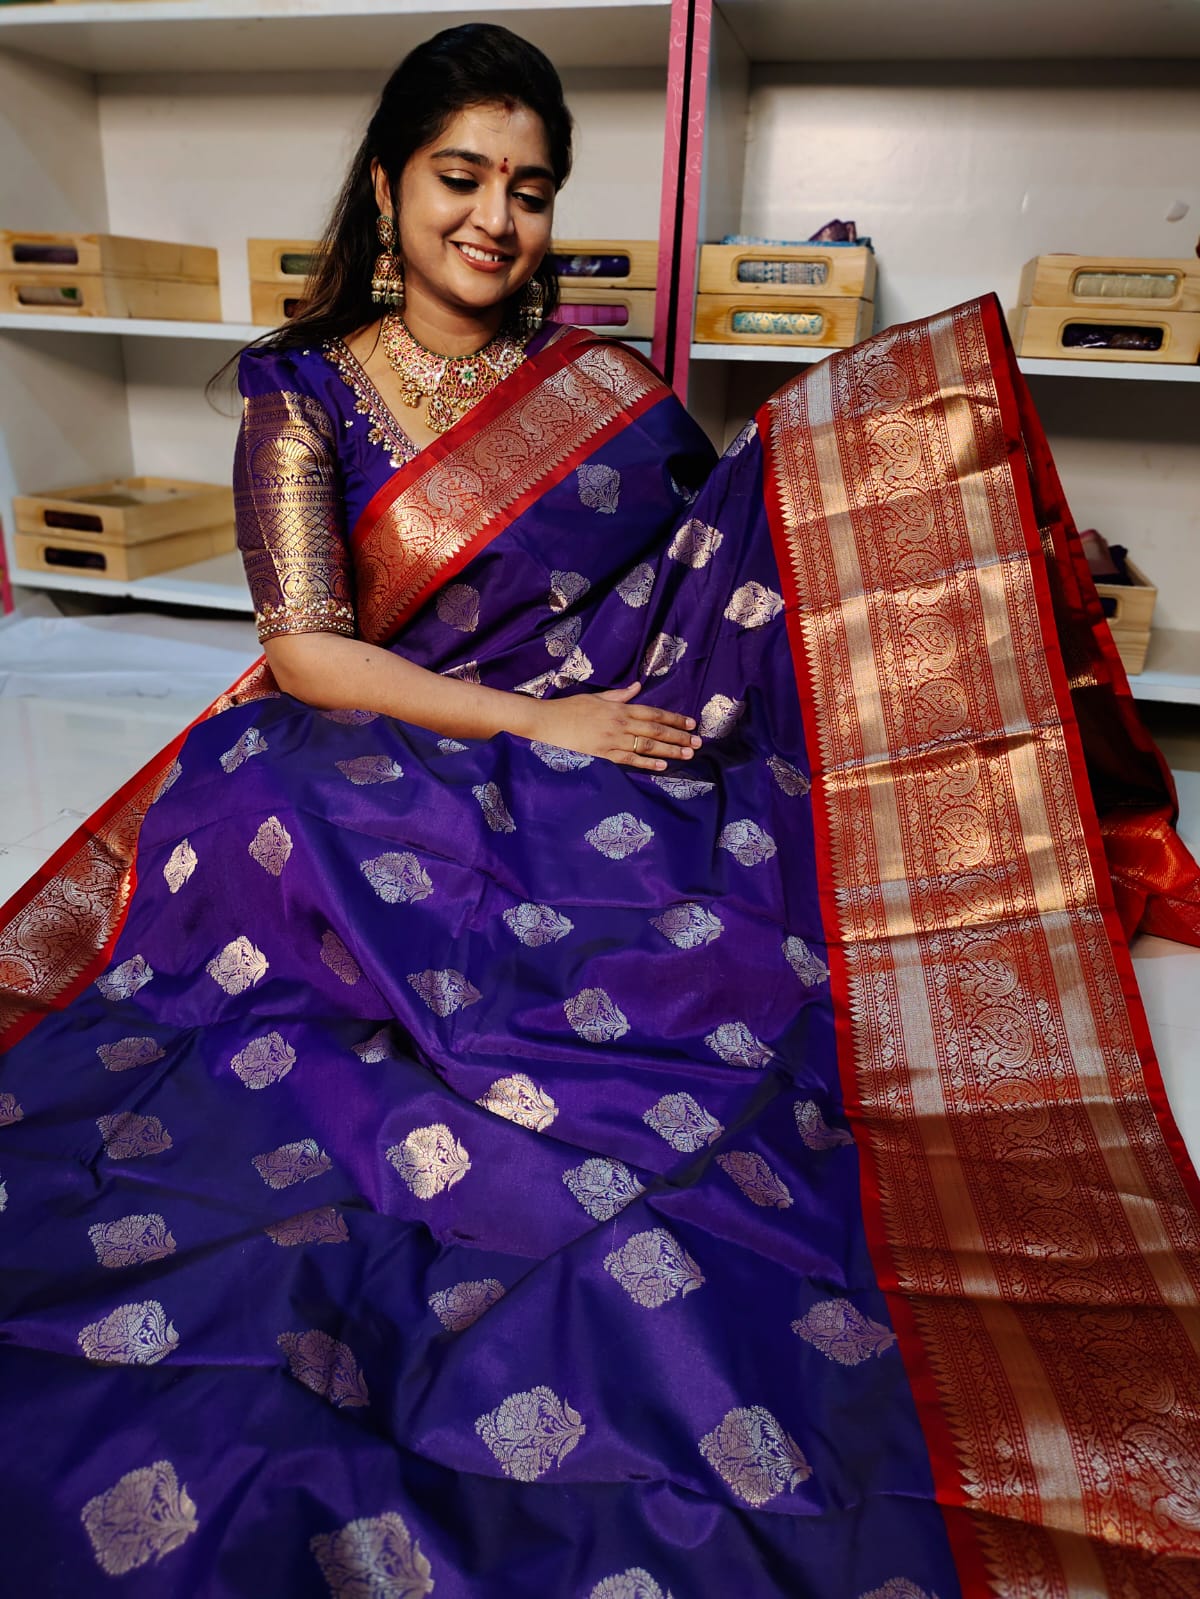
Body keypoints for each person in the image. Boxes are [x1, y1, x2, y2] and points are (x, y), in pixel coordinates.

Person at [2, 23, 1200, 1598]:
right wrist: (536, 721)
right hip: (400, 731)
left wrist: (917, 506)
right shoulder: (304, 391)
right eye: (461, 176)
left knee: (845, 529)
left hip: (587, 711)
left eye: (530, 187)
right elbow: (304, 649)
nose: (495, 216)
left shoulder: (597, 383)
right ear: (389, 183)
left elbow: (711, 557)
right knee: (265, 785)